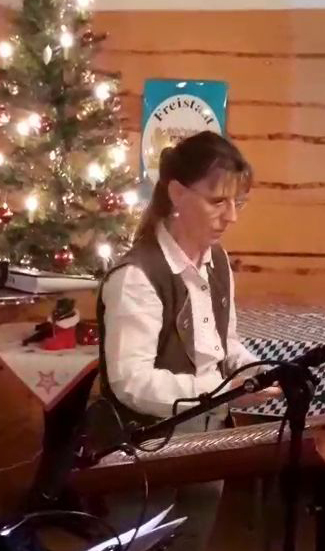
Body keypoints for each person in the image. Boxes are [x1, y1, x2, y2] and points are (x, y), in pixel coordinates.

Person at [96, 131, 281, 551]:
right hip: (146, 444)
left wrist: (255, 372)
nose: (231, 217)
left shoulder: (217, 262)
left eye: (238, 202)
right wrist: (223, 391)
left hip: (208, 433)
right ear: (177, 194)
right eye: (218, 201)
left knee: (193, 541)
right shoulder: (136, 277)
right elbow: (131, 383)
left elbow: (225, 344)